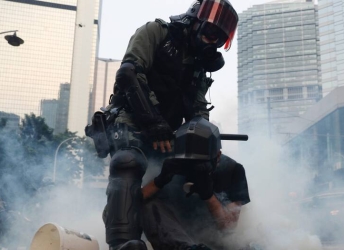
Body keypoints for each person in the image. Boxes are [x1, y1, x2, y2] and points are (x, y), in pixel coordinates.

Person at [85, 0, 246, 249]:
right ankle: (121, 244)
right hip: (131, 122)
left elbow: (199, 108)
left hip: (168, 134)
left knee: (203, 169)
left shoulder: (198, 66)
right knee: (128, 162)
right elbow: (128, 74)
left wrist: (206, 147)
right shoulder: (155, 32)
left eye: (219, 39)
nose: (212, 43)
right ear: (195, 21)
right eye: (211, 33)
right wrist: (153, 122)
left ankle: (198, 238)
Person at [141, 117, 250, 250]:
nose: (194, 167)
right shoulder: (171, 166)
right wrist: (160, 180)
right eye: (190, 162)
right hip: (175, 237)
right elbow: (136, 202)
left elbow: (228, 228)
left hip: (213, 239)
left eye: (201, 162)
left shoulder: (232, 170)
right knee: (148, 204)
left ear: (218, 156)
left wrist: (209, 196)